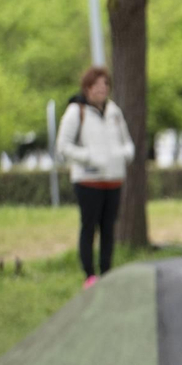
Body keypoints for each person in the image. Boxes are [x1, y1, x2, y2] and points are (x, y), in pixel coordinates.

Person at [56, 65, 134, 288]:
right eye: (96, 85)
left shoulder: (114, 111)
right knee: (89, 226)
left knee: (108, 228)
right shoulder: (76, 111)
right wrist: (88, 157)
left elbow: (126, 141)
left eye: (105, 84)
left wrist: (125, 154)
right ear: (87, 88)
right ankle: (89, 274)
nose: (101, 89)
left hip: (113, 179)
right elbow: (63, 146)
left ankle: (107, 271)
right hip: (88, 180)